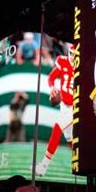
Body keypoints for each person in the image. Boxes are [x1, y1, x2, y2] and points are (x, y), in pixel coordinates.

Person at [31, 44, 75, 176]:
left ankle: (43, 165)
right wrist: (52, 87)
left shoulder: (83, 68)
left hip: (75, 107)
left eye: (75, 55)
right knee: (70, 140)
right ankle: (86, 161)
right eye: (71, 54)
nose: (72, 57)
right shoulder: (63, 62)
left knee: (56, 129)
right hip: (64, 106)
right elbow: (51, 77)